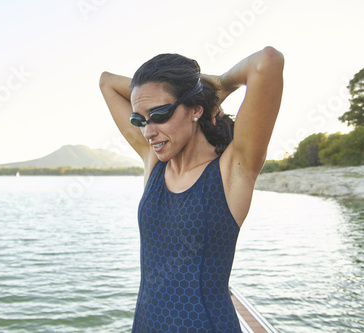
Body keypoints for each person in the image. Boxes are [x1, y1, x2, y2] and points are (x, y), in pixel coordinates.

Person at [99, 46, 284, 332]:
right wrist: (192, 90)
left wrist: (217, 84)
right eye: (139, 119)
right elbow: (107, 81)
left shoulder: (233, 171)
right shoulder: (154, 164)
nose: (148, 132)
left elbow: (267, 62)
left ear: (196, 109)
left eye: (159, 114)